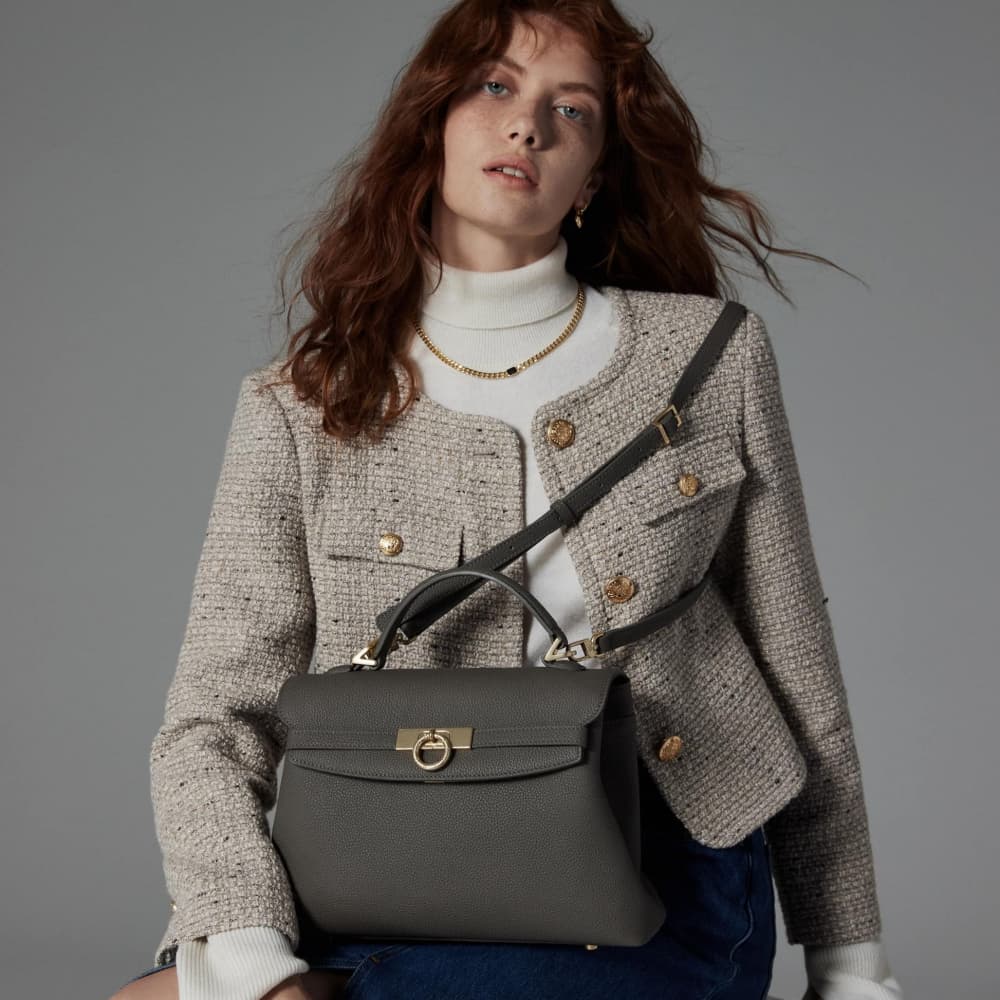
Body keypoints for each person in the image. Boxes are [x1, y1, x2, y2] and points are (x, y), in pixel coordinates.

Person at [110, 2, 905, 998]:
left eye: (571, 110)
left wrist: (850, 962)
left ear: (593, 177)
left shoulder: (707, 356)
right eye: (495, 87)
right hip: (378, 865)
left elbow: (797, 663)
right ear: (432, 122)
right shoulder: (300, 404)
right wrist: (253, 956)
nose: (527, 124)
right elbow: (212, 720)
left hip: (665, 865)